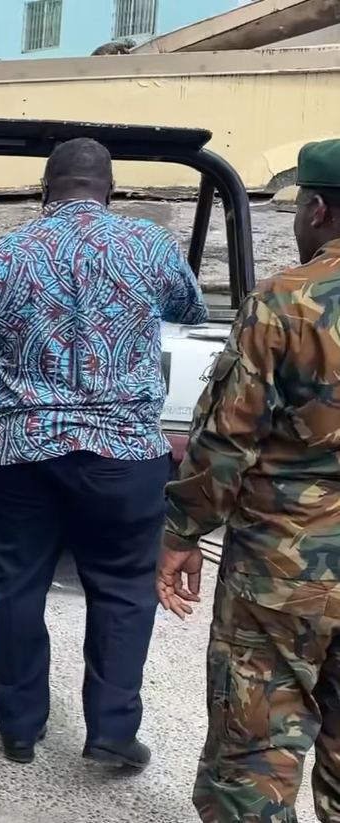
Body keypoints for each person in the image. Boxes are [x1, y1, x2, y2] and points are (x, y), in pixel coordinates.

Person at [0, 137, 208, 766]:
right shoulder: (151, 246)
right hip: (123, 449)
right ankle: (111, 732)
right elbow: (189, 308)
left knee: (15, 586)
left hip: (18, 451)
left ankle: (19, 725)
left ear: (46, 188)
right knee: (124, 590)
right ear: (110, 188)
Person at [162, 138, 340, 823]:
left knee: (255, 748)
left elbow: (225, 441)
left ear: (318, 209)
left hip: (281, 569)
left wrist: (180, 532)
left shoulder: (282, 304)